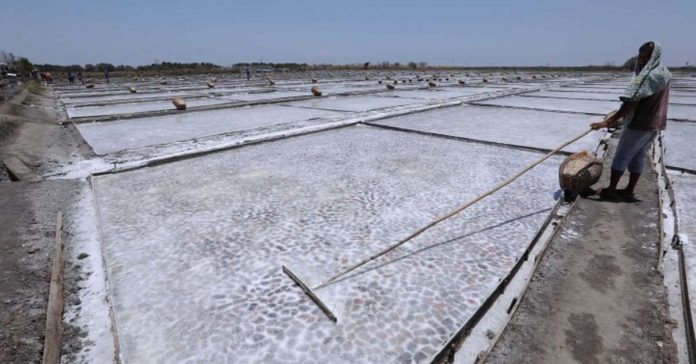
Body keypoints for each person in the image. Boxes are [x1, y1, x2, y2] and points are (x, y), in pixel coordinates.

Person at [590, 41, 671, 202]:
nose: (640, 60)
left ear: (653, 56)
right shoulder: (663, 72)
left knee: (621, 156)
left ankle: (611, 190)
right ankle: (628, 190)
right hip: (654, 123)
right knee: (638, 157)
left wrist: (608, 121)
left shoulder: (649, 76)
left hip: (640, 123)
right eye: (639, 57)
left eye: (644, 57)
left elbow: (632, 102)